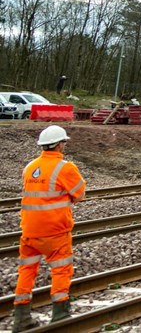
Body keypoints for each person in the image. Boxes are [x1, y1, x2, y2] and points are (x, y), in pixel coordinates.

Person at [13, 125, 86, 330]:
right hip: (55, 231)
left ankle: (21, 317)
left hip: (29, 230)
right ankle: (60, 314)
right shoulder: (65, 167)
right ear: (59, 145)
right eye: (64, 143)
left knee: (26, 270)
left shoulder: (29, 167)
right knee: (61, 269)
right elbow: (80, 195)